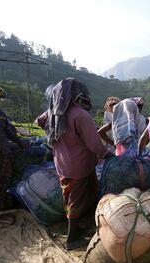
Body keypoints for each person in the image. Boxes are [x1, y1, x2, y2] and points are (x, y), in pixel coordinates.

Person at [46, 78, 112, 251]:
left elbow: (40, 122)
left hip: (62, 162)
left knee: (73, 196)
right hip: (79, 164)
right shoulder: (80, 114)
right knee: (76, 200)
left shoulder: (54, 112)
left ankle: (81, 226)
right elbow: (93, 142)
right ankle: (72, 238)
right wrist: (106, 154)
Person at [0, 87, 28, 211]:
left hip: (2, 150)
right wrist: (22, 143)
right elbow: (10, 133)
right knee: (3, 176)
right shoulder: (0, 115)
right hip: (1, 151)